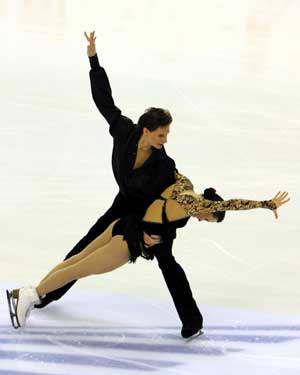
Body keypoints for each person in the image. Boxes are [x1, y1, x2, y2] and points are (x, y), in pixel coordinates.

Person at [34, 31, 204, 337]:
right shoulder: (125, 132)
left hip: (151, 213)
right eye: (161, 134)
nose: (165, 140)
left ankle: (192, 320)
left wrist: (157, 232)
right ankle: (48, 292)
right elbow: (105, 102)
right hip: (124, 202)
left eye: (167, 135)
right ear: (145, 130)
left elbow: (176, 199)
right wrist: (93, 59)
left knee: (166, 260)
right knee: (87, 244)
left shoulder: (164, 165)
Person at [7, 172, 289, 339]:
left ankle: (34, 296)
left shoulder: (181, 182)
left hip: (125, 222)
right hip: (128, 240)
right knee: (80, 268)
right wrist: (266, 204)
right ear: (208, 207)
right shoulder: (192, 202)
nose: (202, 220)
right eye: (208, 218)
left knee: (75, 261)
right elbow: (232, 203)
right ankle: (29, 295)